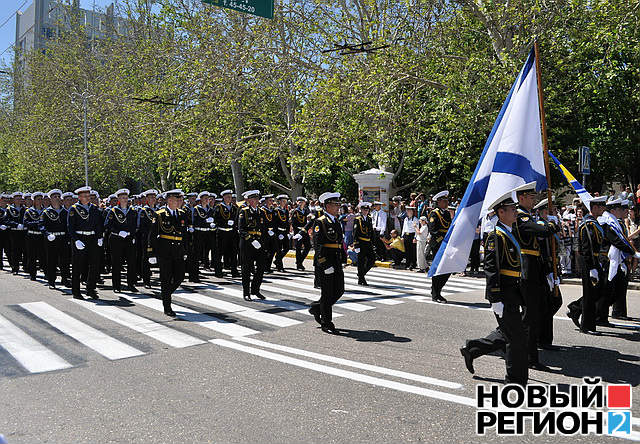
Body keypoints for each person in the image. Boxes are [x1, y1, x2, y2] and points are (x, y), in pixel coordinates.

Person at [460, 188, 528, 386]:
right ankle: (515, 379)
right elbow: (491, 268)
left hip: (514, 291)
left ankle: (473, 349)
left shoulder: (509, 232)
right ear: (501, 213)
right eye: (511, 209)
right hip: (504, 293)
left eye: (515, 208)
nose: (515, 212)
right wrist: (495, 298)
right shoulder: (495, 236)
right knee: (516, 339)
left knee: (510, 331)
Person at [512, 182, 558, 371]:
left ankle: (536, 344)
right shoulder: (521, 217)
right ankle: (530, 357)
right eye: (531, 197)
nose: (534, 200)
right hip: (526, 269)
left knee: (540, 309)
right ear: (521, 198)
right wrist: (552, 222)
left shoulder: (528, 216)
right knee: (529, 316)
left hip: (535, 268)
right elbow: (544, 230)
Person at [566, 196, 608, 333]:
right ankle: (587, 326)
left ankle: (576, 308)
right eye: (601, 207)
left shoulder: (594, 223)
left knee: (599, 291)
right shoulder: (588, 224)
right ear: (594, 208)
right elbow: (586, 248)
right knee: (590, 294)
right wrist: (591, 268)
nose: (603, 209)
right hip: (589, 262)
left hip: (595, 261)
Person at [596, 198, 639, 325]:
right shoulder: (608, 223)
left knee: (615, 289)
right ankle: (580, 309)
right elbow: (617, 242)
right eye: (621, 209)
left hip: (617, 259)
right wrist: (632, 253)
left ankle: (606, 315)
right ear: (613, 210)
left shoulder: (615, 222)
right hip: (608, 259)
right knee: (607, 290)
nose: (624, 211)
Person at [308, 192, 346, 334]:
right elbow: (317, 245)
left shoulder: (335, 221)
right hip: (326, 261)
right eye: (336, 205)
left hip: (335, 260)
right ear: (328, 206)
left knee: (339, 290)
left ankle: (317, 308)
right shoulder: (320, 221)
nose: (338, 208)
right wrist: (324, 264)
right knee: (327, 293)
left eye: (338, 205)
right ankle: (326, 323)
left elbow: (338, 242)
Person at [147, 189, 189, 316]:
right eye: (177, 200)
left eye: (179, 200)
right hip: (164, 250)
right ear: (169, 200)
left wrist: (185, 250)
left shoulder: (182, 214)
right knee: (166, 279)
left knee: (180, 276)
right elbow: (152, 235)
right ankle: (167, 306)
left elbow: (185, 234)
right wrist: (151, 253)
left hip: (178, 250)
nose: (179, 202)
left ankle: (165, 294)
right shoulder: (159, 214)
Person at [533, 197, 563, 350]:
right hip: (544, 270)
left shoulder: (549, 225)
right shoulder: (540, 225)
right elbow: (543, 244)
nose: (556, 213)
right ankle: (542, 338)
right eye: (553, 210)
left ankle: (542, 335)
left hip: (551, 268)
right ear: (545, 212)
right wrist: (548, 271)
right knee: (549, 304)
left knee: (554, 302)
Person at [67, 186, 104, 300]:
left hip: (92, 238)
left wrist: (99, 237)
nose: (88, 198)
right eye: (85, 196)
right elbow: (70, 227)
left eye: (89, 196)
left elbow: (99, 224)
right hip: (80, 238)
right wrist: (76, 239)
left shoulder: (94, 208)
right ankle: (76, 291)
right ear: (79, 197)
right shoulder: (74, 209)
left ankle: (90, 288)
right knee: (77, 266)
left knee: (94, 264)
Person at [104, 188, 138, 293]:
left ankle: (131, 284)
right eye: (122, 198)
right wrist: (118, 232)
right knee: (116, 263)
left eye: (126, 198)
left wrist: (131, 235)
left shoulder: (132, 211)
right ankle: (116, 285)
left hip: (128, 239)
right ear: (118, 198)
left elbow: (135, 225)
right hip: (116, 239)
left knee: (131, 262)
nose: (124, 199)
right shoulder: (113, 211)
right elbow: (107, 225)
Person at [238, 190, 266, 301]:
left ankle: (255, 289)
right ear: (249, 200)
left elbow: (263, 228)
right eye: (253, 199)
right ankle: (246, 292)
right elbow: (241, 229)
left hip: (259, 243)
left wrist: (263, 243)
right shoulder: (244, 211)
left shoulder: (261, 212)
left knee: (261, 268)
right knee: (246, 268)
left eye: (257, 199)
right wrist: (251, 240)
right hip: (247, 243)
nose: (256, 201)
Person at [40, 189, 70, 289]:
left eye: (58, 196)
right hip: (51, 239)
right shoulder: (46, 212)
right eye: (54, 197)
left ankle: (65, 279)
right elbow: (42, 225)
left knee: (64, 260)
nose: (57, 198)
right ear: (50, 199)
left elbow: (68, 226)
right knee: (51, 260)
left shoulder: (65, 212)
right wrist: (47, 234)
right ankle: (51, 280)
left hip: (63, 238)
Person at [427, 190, 451, 303]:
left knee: (447, 269)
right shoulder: (434, 214)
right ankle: (435, 294)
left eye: (447, 201)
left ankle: (438, 290)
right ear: (439, 202)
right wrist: (443, 238)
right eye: (444, 201)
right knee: (438, 269)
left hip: (445, 243)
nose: (447, 203)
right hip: (437, 243)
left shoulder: (446, 213)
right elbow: (433, 230)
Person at [213, 189, 240, 278]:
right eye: (228, 197)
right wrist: (225, 223)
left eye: (230, 197)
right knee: (219, 253)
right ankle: (218, 271)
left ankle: (234, 271)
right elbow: (215, 220)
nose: (229, 198)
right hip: (222, 232)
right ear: (223, 197)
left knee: (233, 252)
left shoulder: (234, 208)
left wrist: (234, 224)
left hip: (232, 233)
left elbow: (237, 219)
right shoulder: (218, 207)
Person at [190, 191, 214, 283]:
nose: (207, 200)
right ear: (201, 200)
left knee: (207, 253)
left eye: (208, 198)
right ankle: (194, 276)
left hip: (207, 233)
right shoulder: (196, 209)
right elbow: (194, 222)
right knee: (196, 255)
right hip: (199, 233)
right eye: (205, 198)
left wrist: (212, 224)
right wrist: (205, 221)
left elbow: (212, 220)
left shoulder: (210, 209)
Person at [137, 189, 158, 288]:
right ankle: (146, 281)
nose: (153, 199)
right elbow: (141, 226)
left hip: (158, 239)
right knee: (146, 259)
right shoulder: (144, 211)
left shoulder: (158, 210)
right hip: (147, 238)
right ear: (146, 199)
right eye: (151, 197)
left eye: (154, 197)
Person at [23, 191, 46, 281]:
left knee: (43, 256)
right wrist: (37, 223)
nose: (40, 201)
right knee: (32, 256)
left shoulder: (46, 211)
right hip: (32, 235)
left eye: (41, 199)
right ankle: (33, 274)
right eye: (38, 199)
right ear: (34, 201)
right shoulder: (29, 211)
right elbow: (26, 223)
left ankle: (46, 273)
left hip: (41, 236)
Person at [353, 201, 375, 285]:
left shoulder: (369, 218)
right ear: (361, 210)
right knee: (361, 261)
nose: (366, 211)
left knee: (372, 259)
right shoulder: (357, 219)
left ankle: (361, 274)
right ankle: (361, 279)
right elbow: (355, 232)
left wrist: (373, 242)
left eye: (367, 210)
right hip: (361, 242)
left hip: (368, 242)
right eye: (364, 210)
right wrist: (356, 244)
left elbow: (371, 231)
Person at [6, 192, 26, 274]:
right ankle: (15, 268)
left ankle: (25, 266)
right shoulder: (9, 209)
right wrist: (16, 224)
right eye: (17, 199)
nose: (19, 200)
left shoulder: (25, 209)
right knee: (15, 250)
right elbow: (7, 220)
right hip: (14, 231)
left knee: (25, 250)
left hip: (24, 232)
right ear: (14, 199)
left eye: (20, 199)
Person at [291, 197, 311, 270]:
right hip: (298, 231)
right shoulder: (295, 211)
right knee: (298, 248)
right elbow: (293, 223)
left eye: (302, 202)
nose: (301, 203)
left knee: (308, 246)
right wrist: (297, 231)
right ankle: (299, 264)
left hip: (305, 231)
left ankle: (300, 260)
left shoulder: (306, 211)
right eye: (299, 202)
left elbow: (309, 219)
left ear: (305, 203)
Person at [260, 194, 278, 274]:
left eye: (272, 200)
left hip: (272, 233)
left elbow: (275, 222)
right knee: (265, 250)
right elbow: (261, 223)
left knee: (272, 250)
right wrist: (267, 230)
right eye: (270, 200)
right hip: (265, 233)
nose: (272, 202)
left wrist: (274, 231)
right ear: (266, 201)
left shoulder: (273, 210)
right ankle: (263, 266)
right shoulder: (262, 210)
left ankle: (268, 266)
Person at [273, 194, 290, 272]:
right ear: (279, 202)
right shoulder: (276, 210)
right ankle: (280, 266)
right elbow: (275, 223)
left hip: (284, 231)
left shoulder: (286, 211)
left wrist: (288, 231)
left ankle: (277, 260)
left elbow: (287, 222)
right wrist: (277, 232)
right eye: (283, 201)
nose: (284, 202)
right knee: (279, 249)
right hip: (278, 232)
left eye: (285, 201)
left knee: (287, 248)